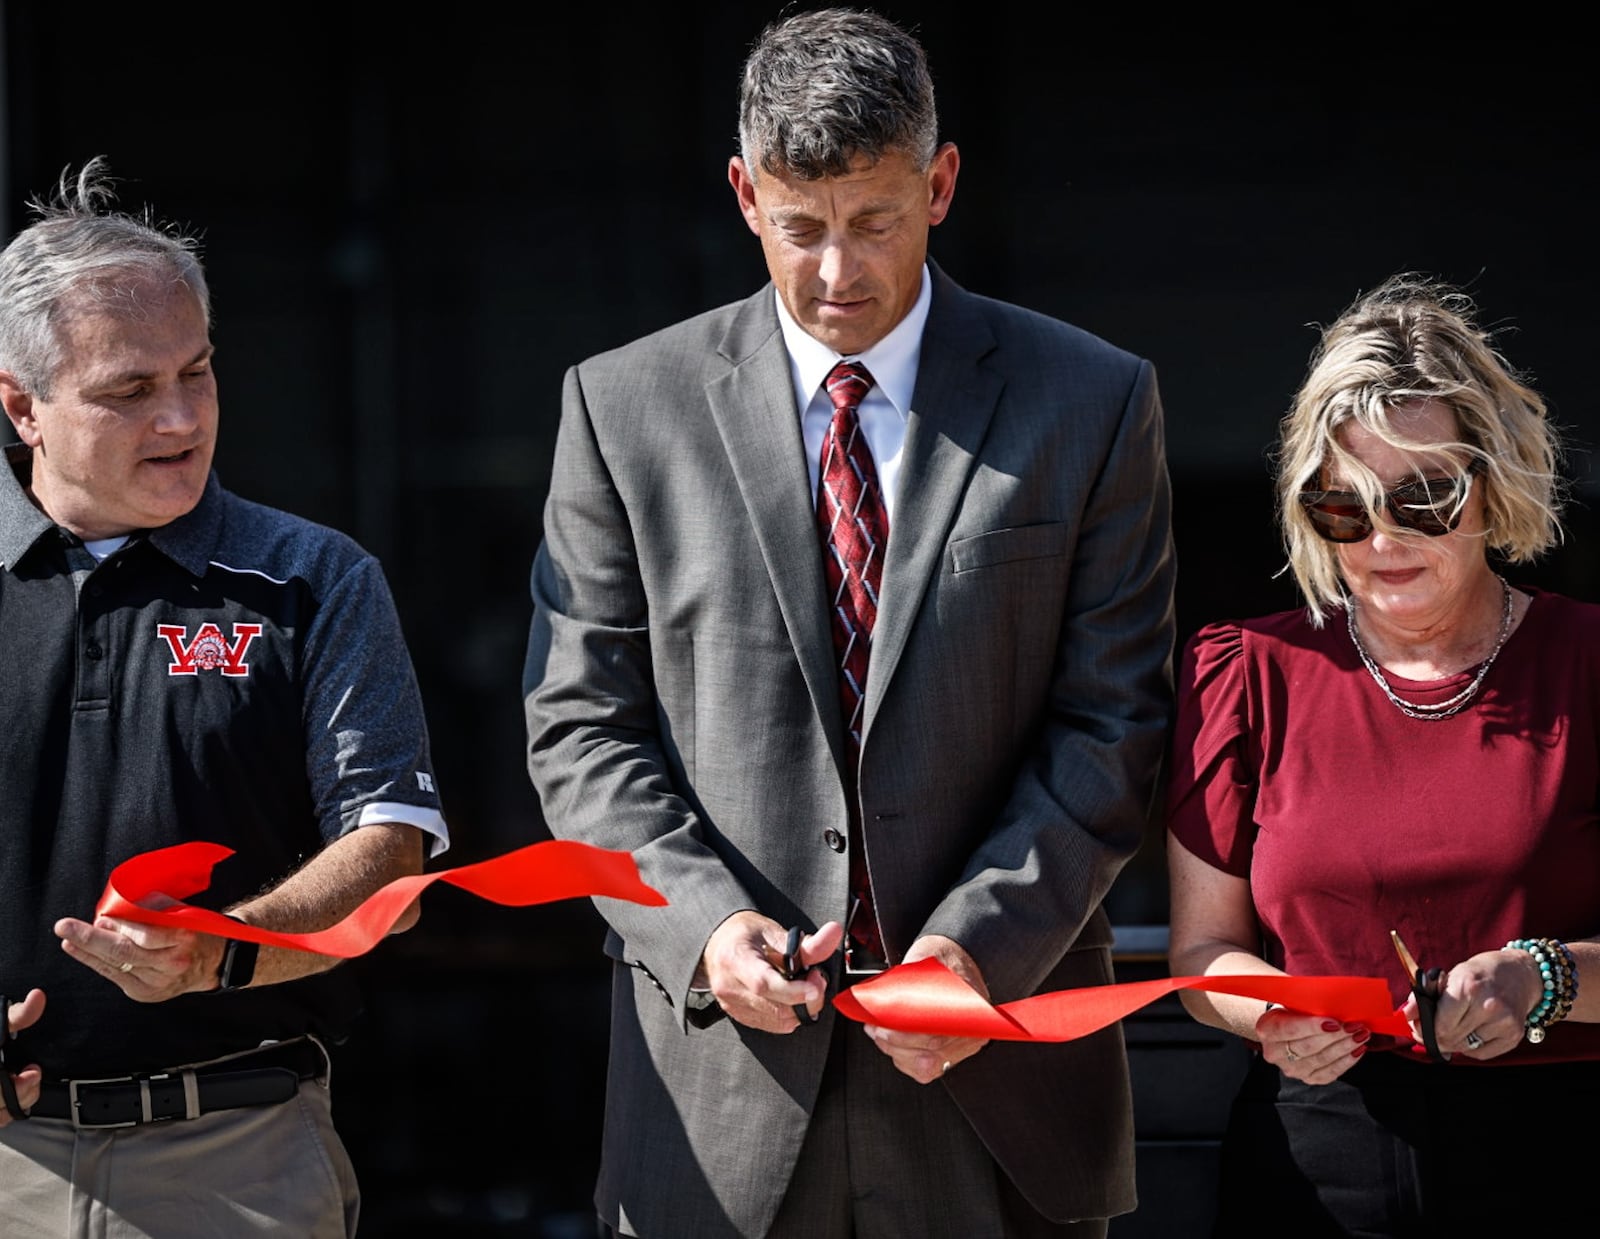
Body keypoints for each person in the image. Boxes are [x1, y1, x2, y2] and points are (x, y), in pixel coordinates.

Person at [522, 8, 1175, 1237]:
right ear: (741, 193)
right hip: (719, 1091)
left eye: (874, 222)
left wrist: (975, 950)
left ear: (940, 184)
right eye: (799, 227)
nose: (836, 272)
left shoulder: (1091, 399)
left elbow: (1115, 724)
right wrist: (706, 930)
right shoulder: (621, 409)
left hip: (999, 1081)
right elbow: (578, 731)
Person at [0, 159, 449, 1237]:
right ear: (22, 405)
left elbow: (395, 849)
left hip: (238, 1155)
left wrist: (219, 950)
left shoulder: (314, 577)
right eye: (128, 390)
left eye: (197, 373)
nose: (180, 416)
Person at [1165, 273, 1600, 1235]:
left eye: (1425, 498)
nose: (1385, 539)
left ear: (1495, 483)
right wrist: (1267, 1012)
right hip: (1316, 1159)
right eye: (1344, 509)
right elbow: (1203, 950)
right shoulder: (1248, 670)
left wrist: (1548, 977)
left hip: (1564, 1147)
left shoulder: (1586, 663)